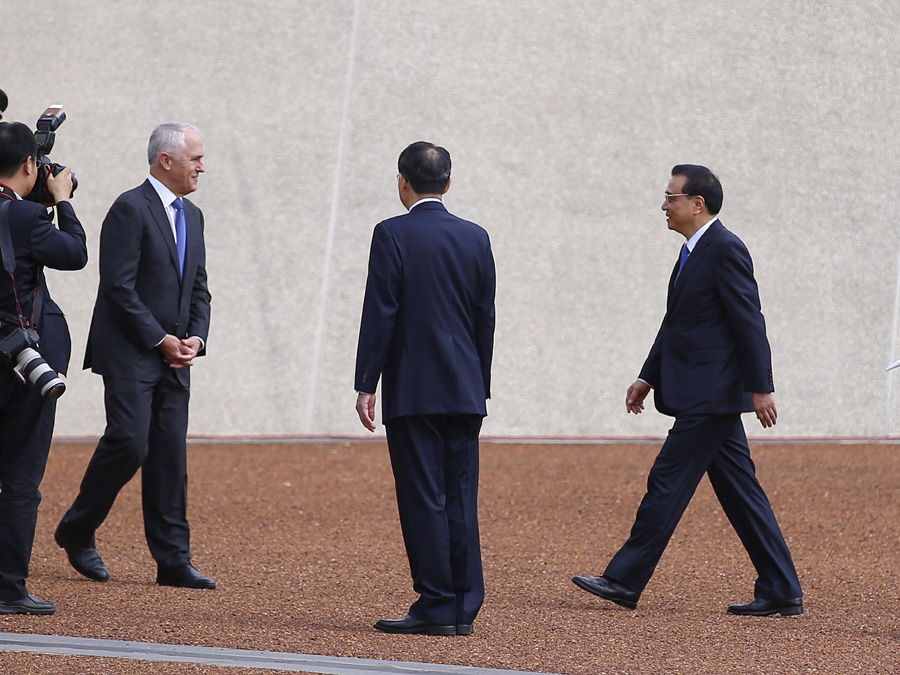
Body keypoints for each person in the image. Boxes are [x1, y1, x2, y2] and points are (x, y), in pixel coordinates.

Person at [572, 164, 803, 616]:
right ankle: (781, 587)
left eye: (670, 197)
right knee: (742, 494)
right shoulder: (692, 252)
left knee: (667, 482)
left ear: (697, 203)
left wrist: (761, 388)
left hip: (710, 396)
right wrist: (648, 376)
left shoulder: (725, 248)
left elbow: (749, 321)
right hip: (705, 394)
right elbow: (677, 324)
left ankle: (623, 580)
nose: (664, 205)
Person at [55, 122, 214, 589]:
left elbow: (199, 287)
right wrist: (160, 339)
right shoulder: (130, 207)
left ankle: (173, 560)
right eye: (195, 158)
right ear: (166, 160)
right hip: (130, 351)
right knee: (130, 442)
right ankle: (78, 528)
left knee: (169, 456)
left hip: (176, 356)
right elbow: (118, 287)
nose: (202, 167)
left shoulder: (193, 216)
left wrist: (196, 339)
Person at [354, 141, 495, 635]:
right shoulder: (476, 236)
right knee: (459, 497)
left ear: (403, 181)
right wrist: (480, 383)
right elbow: (484, 317)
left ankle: (436, 603)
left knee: (423, 498)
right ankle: (462, 606)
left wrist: (366, 382)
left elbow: (381, 311)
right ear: (448, 182)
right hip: (465, 388)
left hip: (414, 388)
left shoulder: (391, 233)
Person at [0, 121, 87, 614]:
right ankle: (9, 588)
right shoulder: (30, 218)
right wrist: (63, 201)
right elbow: (74, 253)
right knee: (19, 476)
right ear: (30, 165)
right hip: (23, 361)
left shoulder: (21, 213)